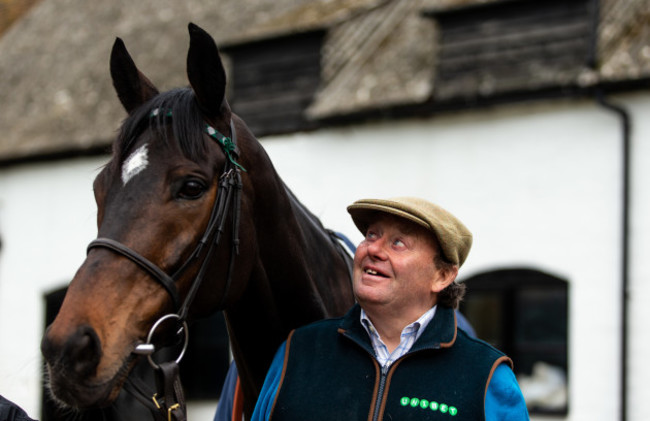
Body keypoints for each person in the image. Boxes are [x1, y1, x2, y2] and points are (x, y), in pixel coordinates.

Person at [251, 197, 529, 420]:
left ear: (442, 276)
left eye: (398, 243)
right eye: (371, 235)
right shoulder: (298, 350)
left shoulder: (486, 374)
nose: (374, 249)